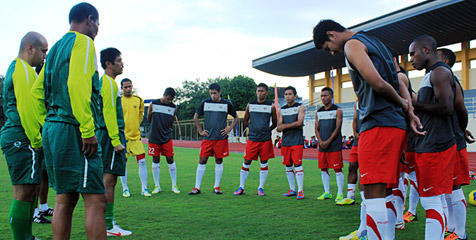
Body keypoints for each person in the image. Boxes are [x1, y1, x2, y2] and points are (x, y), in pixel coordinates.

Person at [313, 19, 423, 240]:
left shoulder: (352, 45)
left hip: (378, 124)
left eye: (328, 48)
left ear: (331, 34)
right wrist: (408, 111)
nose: (333, 53)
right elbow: (400, 80)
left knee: (371, 191)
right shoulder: (375, 41)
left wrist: (403, 104)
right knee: (387, 190)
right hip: (393, 125)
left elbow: (378, 83)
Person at [31, 3, 107, 239]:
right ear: (90, 19)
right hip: (74, 130)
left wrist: (49, 124)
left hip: (53, 130)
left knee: (65, 198)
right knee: (96, 200)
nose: (98, 30)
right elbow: (76, 85)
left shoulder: (53, 50)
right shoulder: (83, 42)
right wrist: (87, 129)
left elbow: (36, 93)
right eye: (98, 24)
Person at [2, 31, 47, 239]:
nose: (45, 55)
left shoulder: (22, 69)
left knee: (30, 191)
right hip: (22, 137)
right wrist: (37, 140)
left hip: (20, 136)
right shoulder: (22, 69)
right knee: (23, 193)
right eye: (43, 50)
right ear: (30, 48)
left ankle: (28, 236)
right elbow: (27, 109)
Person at [410, 35, 456, 240]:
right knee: (433, 199)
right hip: (429, 144)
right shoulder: (431, 74)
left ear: (426, 49)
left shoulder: (439, 72)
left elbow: (447, 108)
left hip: (435, 145)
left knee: (431, 200)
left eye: (413, 53)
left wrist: (416, 105)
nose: (410, 58)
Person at [438, 48, 473, 240]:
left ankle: (460, 233)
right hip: (446, 139)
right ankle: (452, 227)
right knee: (448, 186)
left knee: (455, 186)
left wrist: (460, 129)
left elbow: (462, 109)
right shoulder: (441, 77)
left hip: (453, 140)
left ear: (444, 60)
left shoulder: (447, 77)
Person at [97, 47, 131, 236]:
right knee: (109, 180)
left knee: (109, 180)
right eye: (118, 60)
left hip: (109, 135)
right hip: (111, 137)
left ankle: (107, 221)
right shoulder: (108, 83)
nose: (122, 63)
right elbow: (108, 113)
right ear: (108, 64)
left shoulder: (108, 83)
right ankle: (108, 226)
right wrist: (115, 140)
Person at [189, 83, 238, 195]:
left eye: (215, 93)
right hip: (208, 138)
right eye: (211, 93)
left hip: (220, 138)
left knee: (219, 160)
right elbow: (196, 117)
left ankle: (217, 187)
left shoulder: (226, 104)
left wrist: (229, 128)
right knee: (202, 160)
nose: (213, 96)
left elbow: (236, 117)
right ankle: (197, 187)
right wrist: (200, 131)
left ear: (220, 92)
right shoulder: (205, 103)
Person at [234, 83, 277, 196]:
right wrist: (253, 129)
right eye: (258, 91)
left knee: (264, 163)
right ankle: (241, 187)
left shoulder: (271, 106)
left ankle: (260, 188)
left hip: (265, 140)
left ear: (266, 93)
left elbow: (275, 122)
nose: (260, 93)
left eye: (262, 91)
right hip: (252, 139)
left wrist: (267, 130)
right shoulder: (250, 105)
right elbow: (245, 121)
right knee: (246, 161)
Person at [147, 87, 180, 194]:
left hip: (166, 137)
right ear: (164, 95)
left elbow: (171, 121)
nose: (169, 101)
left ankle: (174, 185)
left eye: (171, 99)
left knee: (170, 159)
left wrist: (167, 130)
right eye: (168, 99)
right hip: (154, 137)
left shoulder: (173, 107)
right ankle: (157, 186)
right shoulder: (154, 104)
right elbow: (149, 118)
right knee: (155, 159)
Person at [120, 78, 149, 197]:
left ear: (132, 86)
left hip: (136, 137)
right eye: (125, 87)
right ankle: (125, 188)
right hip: (123, 137)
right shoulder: (118, 101)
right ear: (122, 88)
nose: (128, 89)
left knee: (142, 161)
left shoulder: (138, 100)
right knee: (123, 163)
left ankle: (144, 188)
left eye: (129, 86)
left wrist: (136, 125)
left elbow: (141, 114)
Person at [315, 87, 344, 202]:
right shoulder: (319, 111)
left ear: (331, 96)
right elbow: (316, 128)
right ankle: (327, 192)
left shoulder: (338, 110)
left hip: (334, 145)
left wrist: (328, 141)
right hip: (322, 145)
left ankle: (340, 193)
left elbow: (338, 128)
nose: (323, 98)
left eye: (325, 95)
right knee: (323, 168)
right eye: (321, 96)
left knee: (337, 169)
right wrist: (320, 141)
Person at [277, 86, 306, 200]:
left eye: (290, 94)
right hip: (286, 142)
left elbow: (300, 122)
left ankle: (300, 191)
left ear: (295, 96)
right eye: (286, 94)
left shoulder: (300, 107)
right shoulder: (281, 110)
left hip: (296, 141)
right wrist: (293, 125)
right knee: (288, 166)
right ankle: (292, 189)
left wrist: (285, 126)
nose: (288, 96)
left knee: (297, 165)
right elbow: (279, 127)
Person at [337, 102, 359, 206]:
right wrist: (355, 133)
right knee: (352, 166)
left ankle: (367, 197)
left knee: (366, 170)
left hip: (370, 138)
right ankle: (350, 196)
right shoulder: (357, 102)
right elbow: (355, 119)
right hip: (358, 141)